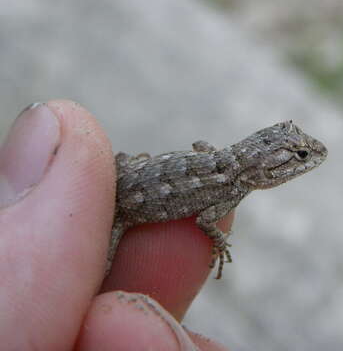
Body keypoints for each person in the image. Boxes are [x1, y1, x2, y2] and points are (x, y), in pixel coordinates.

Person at [0, 100, 232, 350]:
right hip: (124, 213)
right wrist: (219, 241)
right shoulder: (230, 191)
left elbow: (199, 144)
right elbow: (205, 220)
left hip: (126, 178)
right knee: (95, 277)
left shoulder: (217, 157)